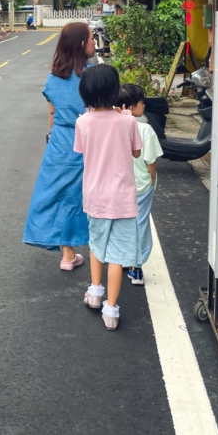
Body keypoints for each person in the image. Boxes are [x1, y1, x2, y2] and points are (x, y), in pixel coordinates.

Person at [74, 64, 142, 331]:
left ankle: (94, 293)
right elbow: (136, 153)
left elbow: (82, 151)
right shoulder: (128, 121)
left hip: (96, 197)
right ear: (115, 91)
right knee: (117, 255)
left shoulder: (82, 122)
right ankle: (111, 311)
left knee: (96, 246)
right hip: (123, 199)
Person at [22, 22, 95, 270]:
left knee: (61, 196)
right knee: (92, 195)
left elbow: (52, 112)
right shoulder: (91, 73)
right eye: (92, 39)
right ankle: (102, 251)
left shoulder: (54, 75)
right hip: (90, 141)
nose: (95, 43)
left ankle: (67, 255)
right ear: (81, 44)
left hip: (60, 143)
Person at [118, 83, 162, 286]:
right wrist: (152, 179)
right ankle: (136, 268)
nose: (144, 105)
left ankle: (123, 260)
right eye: (141, 102)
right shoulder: (145, 129)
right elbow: (150, 160)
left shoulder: (113, 128)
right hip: (142, 187)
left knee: (121, 224)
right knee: (140, 225)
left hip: (119, 187)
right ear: (132, 107)